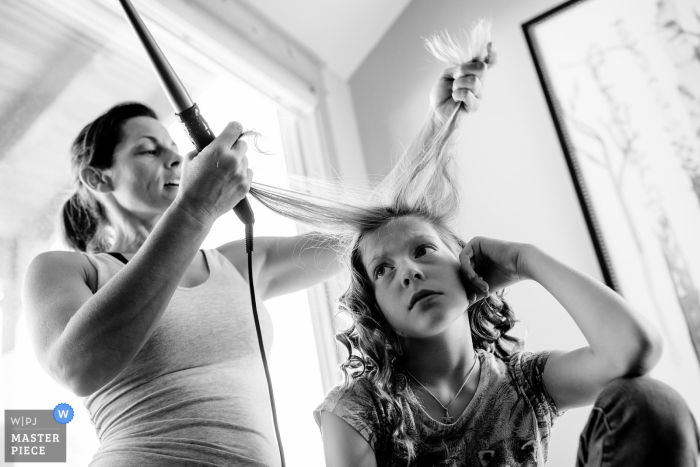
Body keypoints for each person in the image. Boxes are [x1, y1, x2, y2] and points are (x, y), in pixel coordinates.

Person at [19, 24, 485, 465]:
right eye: (147, 149)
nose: (174, 158)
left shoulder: (239, 265)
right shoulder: (64, 270)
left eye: (171, 146)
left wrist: (437, 124)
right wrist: (196, 210)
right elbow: (76, 368)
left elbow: (374, 230)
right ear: (97, 178)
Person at [238, 27, 698, 467]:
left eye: (423, 251)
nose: (408, 272)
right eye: (382, 270)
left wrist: (525, 260)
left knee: (651, 402)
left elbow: (635, 351)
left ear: (465, 265)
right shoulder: (357, 411)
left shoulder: (525, 383)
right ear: (377, 310)